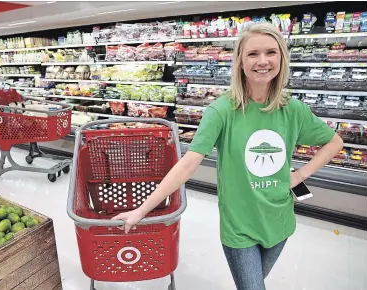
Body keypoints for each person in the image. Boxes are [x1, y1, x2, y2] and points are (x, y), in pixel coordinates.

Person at [112, 22, 343, 289]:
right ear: (240, 62)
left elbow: (334, 142)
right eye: (253, 54)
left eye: (271, 52)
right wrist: (141, 210)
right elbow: (188, 164)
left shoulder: (294, 110)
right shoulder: (222, 110)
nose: (263, 61)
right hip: (239, 226)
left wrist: (302, 173)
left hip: (279, 221)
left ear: (282, 57)